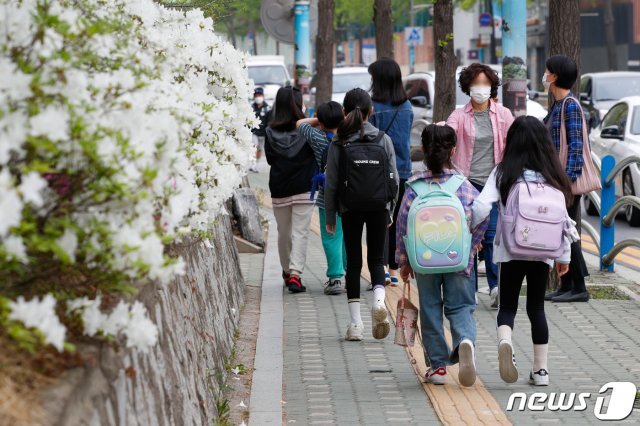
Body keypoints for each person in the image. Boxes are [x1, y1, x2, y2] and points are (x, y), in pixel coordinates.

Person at [472, 116, 577, 386]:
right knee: (536, 308)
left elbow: (482, 206)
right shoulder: (553, 175)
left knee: (507, 305)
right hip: (543, 253)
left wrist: (471, 227)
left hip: (511, 249)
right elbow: (563, 220)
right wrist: (563, 257)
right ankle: (541, 371)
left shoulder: (503, 172)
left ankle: (505, 341)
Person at [396, 124, 488, 386]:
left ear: (423, 150)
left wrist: (404, 261)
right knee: (460, 306)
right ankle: (464, 342)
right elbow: (482, 214)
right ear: (454, 150)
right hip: (459, 258)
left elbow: (403, 224)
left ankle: (437, 367)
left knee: (431, 308)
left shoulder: (414, 187)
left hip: (424, 260)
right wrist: (472, 244)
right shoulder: (464, 187)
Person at [324, 88, 399, 342]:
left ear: (344, 112)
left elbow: (331, 182)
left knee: (354, 263)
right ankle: (379, 301)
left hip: (350, 206)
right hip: (379, 206)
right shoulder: (383, 139)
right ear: (372, 111)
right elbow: (394, 179)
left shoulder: (339, 141)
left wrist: (331, 216)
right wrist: (389, 209)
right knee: (377, 259)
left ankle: (355, 325)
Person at [446, 63, 515, 308]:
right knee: (468, 237)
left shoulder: (504, 115)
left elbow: (514, 144)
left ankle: (496, 287)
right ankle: (470, 287)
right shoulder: (459, 115)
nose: (481, 88)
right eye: (476, 83)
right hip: (466, 183)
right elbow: (449, 133)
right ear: (467, 86)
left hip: (494, 183)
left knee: (492, 236)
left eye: (486, 83)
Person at [542, 55, 590, 303]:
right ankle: (567, 284)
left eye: (547, 71)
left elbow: (576, 148)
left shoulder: (570, 105)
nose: (545, 74)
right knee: (563, 232)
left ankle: (579, 286)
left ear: (556, 76)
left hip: (566, 183)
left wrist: (566, 183)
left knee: (567, 231)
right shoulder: (558, 105)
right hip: (557, 180)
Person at [265, 87, 316, 293]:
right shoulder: (308, 130)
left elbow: (269, 159)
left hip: (280, 188)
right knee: (301, 232)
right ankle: (295, 274)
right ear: (298, 104)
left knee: (283, 233)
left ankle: (287, 271)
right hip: (304, 187)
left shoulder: (269, 132)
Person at [368, 58, 414, 288]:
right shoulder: (406, 106)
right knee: (397, 221)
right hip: (402, 169)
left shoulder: (373, 106)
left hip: (377, 170)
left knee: (379, 219)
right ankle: (394, 269)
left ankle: (382, 268)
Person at [296, 101, 347, 295]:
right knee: (349, 236)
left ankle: (335, 279)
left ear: (323, 123)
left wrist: (319, 120)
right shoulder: (350, 136)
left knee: (331, 236)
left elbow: (300, 123)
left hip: (328, 196)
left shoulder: (318, 137)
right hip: (351, 195)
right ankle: (351, 274)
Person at [251, 88, 271, 173]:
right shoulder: (252, 107)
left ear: (263, 96)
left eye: (259, 95)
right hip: (254, 132)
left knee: (259, 149)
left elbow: (270, 121)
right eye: (256, 95)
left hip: (263, 133)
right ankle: (253, 165)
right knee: (254, 147)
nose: (258, 97)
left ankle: (256, 165)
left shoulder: (267, 108)